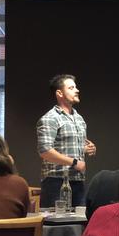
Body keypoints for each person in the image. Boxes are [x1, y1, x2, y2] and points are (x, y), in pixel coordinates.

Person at [37, 74, 96, 208]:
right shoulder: (50, 118)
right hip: (55, 182)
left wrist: (86, 149)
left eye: (76, 87)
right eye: (71, 87)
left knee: (78, 225)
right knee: (56, 225)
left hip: (78, 181)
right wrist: (74, 162)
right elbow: (45, 151)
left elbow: (69, 147)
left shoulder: (79, 119)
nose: (77, 90)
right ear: (60, 93)